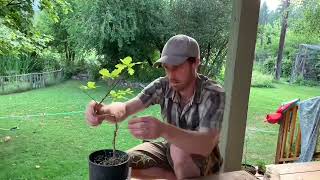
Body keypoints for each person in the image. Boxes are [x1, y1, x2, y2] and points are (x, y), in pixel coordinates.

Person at [85, 34, 225, 179]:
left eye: (176, 67)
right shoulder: (163, 85)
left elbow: (206, 144)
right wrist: (103, 111)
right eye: (166, 68)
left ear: (195, 63)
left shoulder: (212, 93)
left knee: (178, 150)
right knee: (120, 164)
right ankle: (169, 175)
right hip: (169, 147)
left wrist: (163, 130)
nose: (171, 75)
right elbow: (126, 108)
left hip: (203, 158)